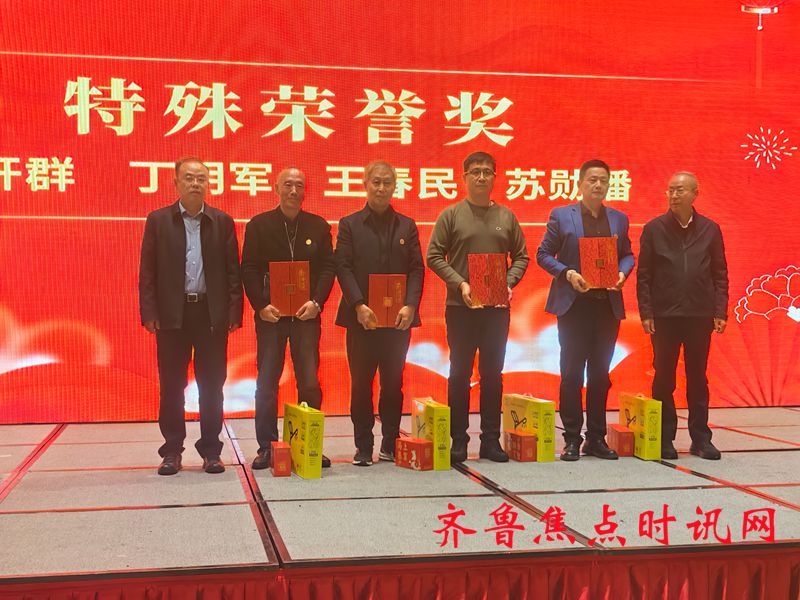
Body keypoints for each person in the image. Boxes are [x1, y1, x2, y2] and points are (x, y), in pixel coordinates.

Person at [139, 157, 242, 475]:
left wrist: (233, 312)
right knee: (172, 385)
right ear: (176, 182)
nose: (195, 183)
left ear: (208, 183)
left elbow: (233, 272)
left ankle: (211, 450)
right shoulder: (158, 221)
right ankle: (172, 451)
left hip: (210, 314)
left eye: (201, 178)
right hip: (172, 313)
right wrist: (149, 312)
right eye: (189, 178)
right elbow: (147, 272)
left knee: (212, 385)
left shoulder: (221, 222)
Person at [427, 151, 529, 464]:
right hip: (461, 307)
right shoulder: (451, 215)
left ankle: (490, 440)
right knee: (459, 373)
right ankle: (458, 440)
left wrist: (508, 282)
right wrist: (460, 284)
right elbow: (434, 256)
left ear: (495, 177)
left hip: (496, 309)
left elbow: (522, 256)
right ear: (465, 177)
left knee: (492, 374)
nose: (481, 177)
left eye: (487, 171)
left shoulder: (506, 217)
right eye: (475, 172)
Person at [536, 159, 634, 462]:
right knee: (571, 374)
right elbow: (543, 254)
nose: (598, 185)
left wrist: (623, 272)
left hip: (606, 307)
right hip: (574, 307)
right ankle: (571, 438)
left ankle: (596, 438)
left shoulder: (619, 219)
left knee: (601, 375)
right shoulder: (562, 215)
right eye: (592, 179)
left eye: (603, 180)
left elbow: (628, 255)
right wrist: (567, 273)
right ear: (580, 184)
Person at [241, 167, 336, 469]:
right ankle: (266, 447)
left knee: (309, 382)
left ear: (305, 191)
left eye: (299, 185)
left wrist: (317, 302)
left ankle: (310, 444)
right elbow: (249, 269)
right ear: (276, 188)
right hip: (271, 317)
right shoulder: (259, 225)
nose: (293, 191)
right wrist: (260, 305)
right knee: (267, 382)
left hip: (306, 316)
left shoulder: (318, 226)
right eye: (287, 185)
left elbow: (328, 268)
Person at [335, 161, 424, 466]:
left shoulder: (407, 226)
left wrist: (410, 305)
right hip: (362, 319)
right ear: (365, 184)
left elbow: (416, 269)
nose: (381, 188)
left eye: (387, 182)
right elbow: (343, 267)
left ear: (395, 186)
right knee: (361, 384)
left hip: (398, 321)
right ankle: (363, 446)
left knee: (393, 384)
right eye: (376, 182)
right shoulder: (349, 224)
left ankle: (390, 442)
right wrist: (358, 305)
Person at [637, 172, 728, 460]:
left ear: (695, 194)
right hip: (664, 316)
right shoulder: (654, 229)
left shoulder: (710, 229)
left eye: (680, 190)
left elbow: (720, 273)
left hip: (700, 315)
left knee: (697, 377)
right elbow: (644, 275)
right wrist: (646, 312)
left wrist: (720, 310)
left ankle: (701, 439)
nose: (674, 195)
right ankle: (665, 437)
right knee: (664, 377)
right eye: (670, 190)